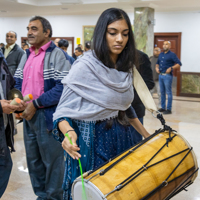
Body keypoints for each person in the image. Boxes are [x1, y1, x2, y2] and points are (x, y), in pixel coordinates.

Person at [52, 8, 150, 200]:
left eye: (125, 34)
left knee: (121, 191)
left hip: (122, 138)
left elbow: (123, 107)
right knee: (96, 191)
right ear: (101, 34)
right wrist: (68, 133)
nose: (120, 39)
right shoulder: (84, 66)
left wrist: (146, 135)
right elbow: (62, 112)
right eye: (113, 33)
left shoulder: (125, 67)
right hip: (93, 141)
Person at [14, 16, 71, 200]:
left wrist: (36, 105)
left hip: (47, 117)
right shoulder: (27, 54)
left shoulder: (57, 55)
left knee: (53, 163)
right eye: (28, 28)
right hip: (28, 116)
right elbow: (17, 82)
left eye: (34, 29)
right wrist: (17, 103)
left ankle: (54, 197)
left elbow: (63, 87)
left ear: (47, 33)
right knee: (34, 161)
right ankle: (41, 196)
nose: (29, 32)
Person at [0, 51, 25, 198]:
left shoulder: (2, 59)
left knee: (4, 164)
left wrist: (16, 101)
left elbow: (10, 86)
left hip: (3, 126)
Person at [130, 50, 154, 143]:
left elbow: (149, 83)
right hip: (113, 113)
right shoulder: (110, 56)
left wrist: (130, 98)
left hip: (135, 109)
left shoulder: (141, 56)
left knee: (135, 146)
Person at [156, 41, 182, 114]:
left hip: (167, 76)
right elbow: (157, 64)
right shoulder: (160, 54)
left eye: (166, 44)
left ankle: (169, 109)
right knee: (162, 92)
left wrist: (171, 68)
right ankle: (163, 107)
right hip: (160, 75)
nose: (164, 45)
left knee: (168, 92)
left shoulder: (172, 55)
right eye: (164, 44)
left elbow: (179, 64)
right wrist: (157, 68)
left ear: (170, 46)